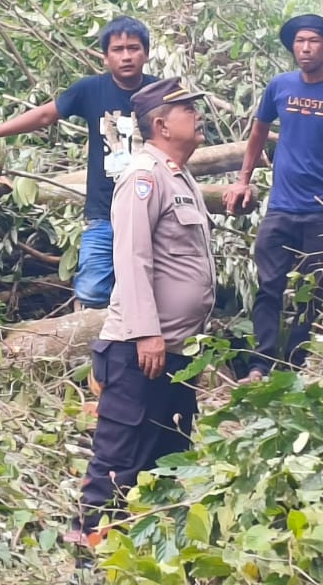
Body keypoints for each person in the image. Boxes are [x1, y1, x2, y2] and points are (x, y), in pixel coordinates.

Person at [69, 77, 216, 545]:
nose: (196, 115)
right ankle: (88, 548)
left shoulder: (180, 175)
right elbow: (131, 259)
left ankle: (147, 550)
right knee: (118, 458)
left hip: (175, 351)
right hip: (139, 351)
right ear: (161, 123)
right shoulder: (143, 176)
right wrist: (146, 332)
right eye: (186, 109)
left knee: (167, 453)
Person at [0, 16, 158, 308]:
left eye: (134, 48)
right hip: (106, 210)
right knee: (91, 291)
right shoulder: (90, 89)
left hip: (152, 209)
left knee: (157, 284)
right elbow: (45, 115)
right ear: (105, 57)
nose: (126, 56)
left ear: (146, 53)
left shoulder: (162, 92)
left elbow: (184, 137)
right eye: (118, 49)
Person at [222, 14, 323, 381]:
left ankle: (297, 365)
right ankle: (261, 364)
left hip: (322, 211)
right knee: (268, 286)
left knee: (311, 292)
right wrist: (243, 180)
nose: (305, 48)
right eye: (300, 41)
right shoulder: (279, 87)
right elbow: (257, 135)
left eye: (314, 41)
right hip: (281, 208)